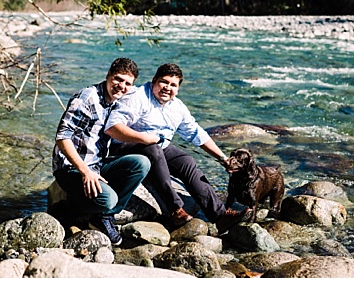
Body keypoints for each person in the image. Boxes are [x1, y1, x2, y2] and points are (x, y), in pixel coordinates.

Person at [104, 63, 250, 232]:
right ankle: (175, 210)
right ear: (153, 81)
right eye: (164, 82)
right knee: (153, 148)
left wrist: (222, 158)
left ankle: (219, 215)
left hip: (157, 146)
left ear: (178, 88)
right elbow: (112, 127)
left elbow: (196, 134)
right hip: (122, 146)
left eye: (173, 85)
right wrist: (145, 138)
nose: (167, 88)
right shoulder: (137, 97)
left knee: (186, 161)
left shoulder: (177, 107)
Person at [51, 57, 151, 245]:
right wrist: (85, 171)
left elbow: (150, 93)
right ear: (108, 76)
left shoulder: (119, 99)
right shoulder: (87, 98)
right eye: (118, 79)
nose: (122, 86)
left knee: (141, 163)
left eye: (127, 83)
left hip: (97, 165)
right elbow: (62, 137)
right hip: (71, 169)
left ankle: (104, 217)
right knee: (108, 199)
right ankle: (66, 210)